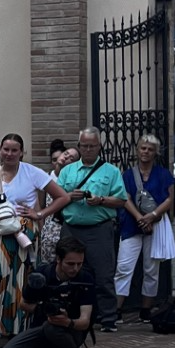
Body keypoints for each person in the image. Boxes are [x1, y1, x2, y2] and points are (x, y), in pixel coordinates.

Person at [0, 135, 68, 342]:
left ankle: (17, 330)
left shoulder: (33, 173)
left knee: (21, 281)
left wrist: (40, 214)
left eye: (14, 150)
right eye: (6, 149)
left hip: (25, 235)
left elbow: (63, 196)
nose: (9, 154)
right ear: (0, 149)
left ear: (22, 152)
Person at [55, 128, 127, 331]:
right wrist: (70, 196)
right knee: (66, 271)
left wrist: (101, 200)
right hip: (71, 228)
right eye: (84, 146)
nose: (88, 149)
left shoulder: (111, 171)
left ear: (99, 147)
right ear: (79, 147)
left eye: (92, 146)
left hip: (99, 229)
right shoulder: (67, 171)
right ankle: (68, 314)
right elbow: (57, 197)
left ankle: (108, 319)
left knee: (103, 274)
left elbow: (121, 200)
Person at [0, 235, 94, 348]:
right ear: (58, 259)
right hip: (41, 328)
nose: (75, 268)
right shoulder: (43, 274)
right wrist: (43, 309)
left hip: (70, 331)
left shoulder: (86, 278)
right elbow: (23, 304)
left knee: (53, 328)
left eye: (79, 264)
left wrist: (68, 322)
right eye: (70, 264)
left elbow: (85, 321)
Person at [117, 134, 175, 321]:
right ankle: (116, 309)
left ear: (155, 152)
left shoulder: (163, 174)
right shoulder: (128, 174)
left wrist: (152, 216)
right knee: (124, 267)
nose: (146, 152)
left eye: (150, 149)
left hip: (156, 225)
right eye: (143, 148)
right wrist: (139, 217)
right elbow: (125, 197)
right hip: (131, 225)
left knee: (152, 269)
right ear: (137, 149)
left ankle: (146, 309)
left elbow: (169, 198)